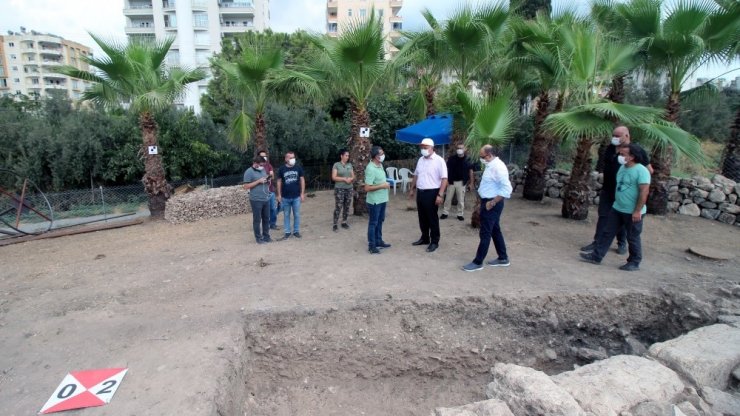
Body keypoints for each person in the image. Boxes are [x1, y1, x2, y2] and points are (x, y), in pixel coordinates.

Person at [581, 126, 652, 255]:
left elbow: (648, 170)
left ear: (627, 136)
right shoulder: (609, 148)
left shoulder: (637, 150)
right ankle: (597, 243)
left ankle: (622, 244)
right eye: (614, 135)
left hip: (627, 192)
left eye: (618, 136)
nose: (615, 138)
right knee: (604, 216)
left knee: (625, 219)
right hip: (608, 189)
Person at [462, 145, 512, 271]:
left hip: (492, 204)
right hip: (487, 201)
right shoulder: (490, 165)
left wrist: (493, 202)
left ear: (489, 155)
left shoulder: (498, 167)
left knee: (485, 233)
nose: (480, 158)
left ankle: (478, 262)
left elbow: (507, 189)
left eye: (482, 156)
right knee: (495, 230)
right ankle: (503, 257)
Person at [408, 138, 448, 252]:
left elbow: (444, 179)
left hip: (432, 192)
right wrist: (412, 189)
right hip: (421, 192)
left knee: (432, 217)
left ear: (432, 148)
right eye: (422, 147)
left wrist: (440, 195)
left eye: (425, 147)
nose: (423, 149)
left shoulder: (439, 160)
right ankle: (424, 237)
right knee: (422, 217)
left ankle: (434, 241)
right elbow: (416, 175)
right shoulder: (421, 160)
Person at [364, 146, 392, 254]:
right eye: (381, 153)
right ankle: (372, 245)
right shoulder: (370, 168)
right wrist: (382, 186)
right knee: (373, 223)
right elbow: (367, 188)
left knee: (380, 221)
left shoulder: (380, 165)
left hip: (382, 199)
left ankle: (379, 240)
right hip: (374, 201)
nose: (383, 155)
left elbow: (380, 181)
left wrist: (385, 184)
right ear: (376, 156)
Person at [441, 143, 475, 221]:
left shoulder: (468, 160)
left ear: (465, 149)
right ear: (456, 149)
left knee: (461, 200)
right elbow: (446, 169)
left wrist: (471, 183)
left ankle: (460, 214)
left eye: (461, 148)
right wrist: (445, 180)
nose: (459, 150)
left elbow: (471, 172)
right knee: (448, 199)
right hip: (451, 182)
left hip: (461, 183)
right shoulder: (451, 159)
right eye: (458, 148)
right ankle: (445, 213)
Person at [243, 155, 272, 244]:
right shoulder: (248, 172)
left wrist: (267, 180)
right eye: (261, 165)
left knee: (266, 218)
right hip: (256, 200)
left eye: (263, 165)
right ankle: (258, 238)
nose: (262, 167)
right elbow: (246, 186)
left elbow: (264, 179)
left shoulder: (262, 170)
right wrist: (258, 181)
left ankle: (266, 236)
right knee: (257, 219)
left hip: (265, 198)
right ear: (255, 163)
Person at [276, 151, 305, 239]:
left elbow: (302, 180)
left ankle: (296, 231)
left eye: (293, 157)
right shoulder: (281, 169)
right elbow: (279, 181)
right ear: (286, 159)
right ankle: (287, 232)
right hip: (285, 197)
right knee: (286, 215)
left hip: (296, 196)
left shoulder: (298, 168)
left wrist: (302, 193)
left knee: (296, 214)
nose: (293, 159)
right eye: (290, 157)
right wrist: (279, 194)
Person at [332, 149, 354, 231]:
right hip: (339, 189)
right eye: (346, 155)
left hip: (349, 188)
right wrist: (344, 179)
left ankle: (344, 222)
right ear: (341, 156)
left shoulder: (350, 165)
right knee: (338, 206)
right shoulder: (336, 165)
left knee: (347, 206)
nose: (347, 157)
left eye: (348, 156)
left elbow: (353, 176)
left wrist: (350, 179)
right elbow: (334, 177)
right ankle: (335, 223)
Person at [257, 149, 278, 230]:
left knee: (273, 208)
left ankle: (272, 224)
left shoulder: (268, 165)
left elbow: (272, 176)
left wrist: (268, 176)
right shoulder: (257, 167)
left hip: (270, 190)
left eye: (265, 156)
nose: (264, 157)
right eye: (262, 156)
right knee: (264, 210)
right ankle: (265, 224)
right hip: (262, 192)